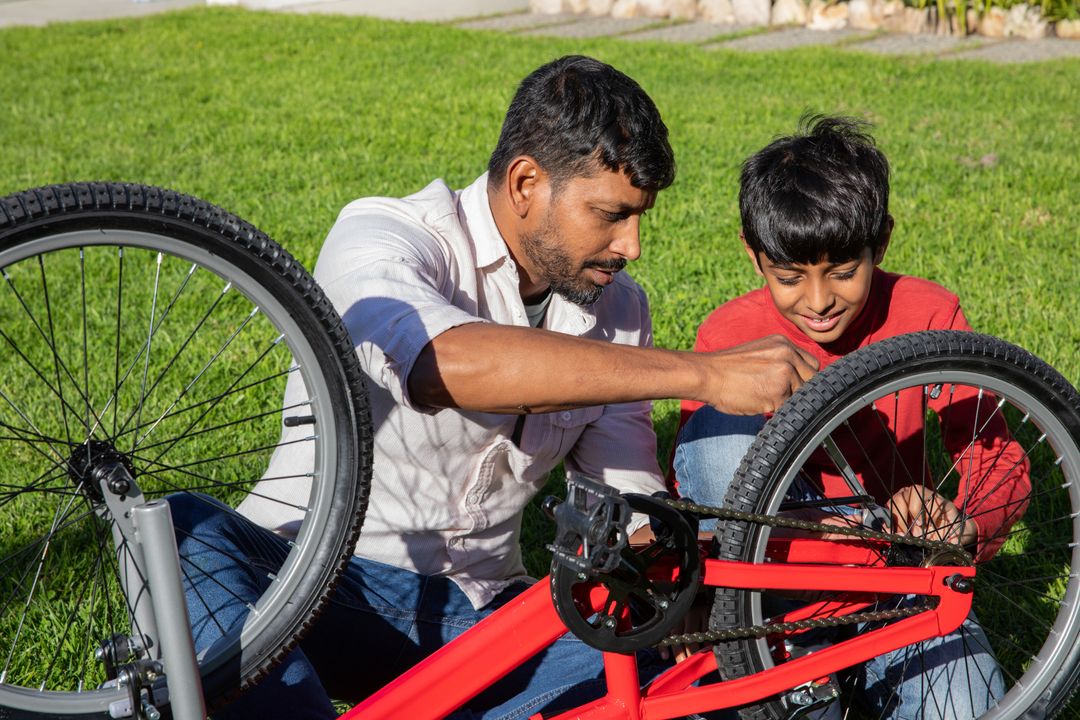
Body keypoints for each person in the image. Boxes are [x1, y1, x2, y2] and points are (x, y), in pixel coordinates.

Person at [169, 55, 817, 720]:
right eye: (609, 214)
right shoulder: (386, 235)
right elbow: (445, 364)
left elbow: (629, 503)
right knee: (179, 531)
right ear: (526, 182)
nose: (633, 245)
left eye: (640, 217)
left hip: (483, 623)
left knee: (676, 670)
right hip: (312, 585)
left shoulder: (620, 310)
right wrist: (703, 374)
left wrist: (676, 585)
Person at [671, 115, 1031, 719]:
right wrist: (707, 597)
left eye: (843, 272)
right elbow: (702, 490)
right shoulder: (729, 335)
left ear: (880, 243)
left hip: (898, 584)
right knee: (715, 436)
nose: (818, 301)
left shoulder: (926, 314)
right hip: (773, 603)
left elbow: (994, 451)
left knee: (968, 709)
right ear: (753, 255)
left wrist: (963, 521)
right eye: (789, 277)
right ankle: (804, 669)